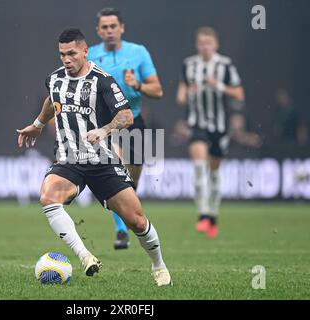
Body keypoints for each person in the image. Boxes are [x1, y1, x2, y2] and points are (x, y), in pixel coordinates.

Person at [17, 28, 171, 286]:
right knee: (48, 196)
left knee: (137, 220)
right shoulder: (54, 79)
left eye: (72, 54)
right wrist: (38, 124)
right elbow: (52, 100)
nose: (66, 59)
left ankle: (159, 265)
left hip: (103, 161)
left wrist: (104, 130)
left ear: (85, 51)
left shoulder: (103, 80)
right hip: (69, 160)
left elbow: (126, 116)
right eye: (62, 54)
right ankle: (85, 255)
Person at [88, 7, 163, 249]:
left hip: (134, 122)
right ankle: (121, 231)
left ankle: (128, 219)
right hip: (107, 125)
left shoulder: (138, 52)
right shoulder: (90, 56)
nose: (109, 31)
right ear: (98, 30)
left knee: (130, 183)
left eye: (113, 26)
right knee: (116, 170)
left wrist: (138, 85)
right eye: (105, 27)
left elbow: (158, 91)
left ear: (122, 28)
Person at [176, 27, 244, 238]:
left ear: (216, 45)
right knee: (198, 167)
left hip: (219, 127)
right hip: (197, 125)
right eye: (201, 43)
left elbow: (239, 95)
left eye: (208, 43)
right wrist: (188, 93)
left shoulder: (225, 65)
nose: (205, 46)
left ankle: (212, 215)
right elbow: (180, 97)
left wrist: (219, 86)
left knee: (214, 172)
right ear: (197, 45)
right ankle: (203, 214)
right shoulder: (189, 65)